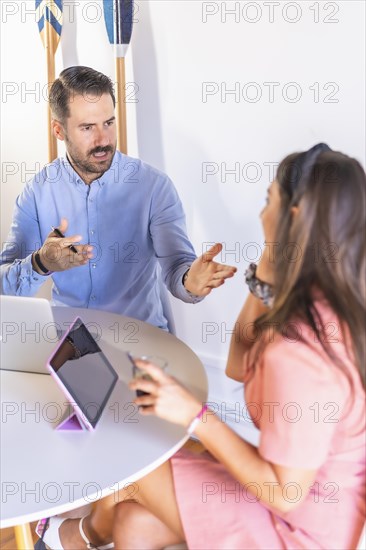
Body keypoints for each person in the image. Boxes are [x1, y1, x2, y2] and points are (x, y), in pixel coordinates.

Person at [36, 143, 365, 550]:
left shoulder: (302, 348)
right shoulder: (327, 304)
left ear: (293, 217)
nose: (261, 213)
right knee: (133, 523)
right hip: (311, 511)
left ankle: (66, 538)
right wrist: (268, 270)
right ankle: (74, 536)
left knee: (134, 464)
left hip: (300, 530)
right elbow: (239, 367)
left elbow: (286, 494)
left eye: (269, 201)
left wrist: (194, 415)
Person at [0, 66, 236, 330]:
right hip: (70, 347)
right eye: (87, 127)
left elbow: (178, 268)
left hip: (141, 342)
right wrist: (41, 263)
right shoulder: (37, 193)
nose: (103, 139)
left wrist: (191, 281)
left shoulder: (153, 187)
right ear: (59, 130)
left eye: (108, 123)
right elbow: (4, 291)